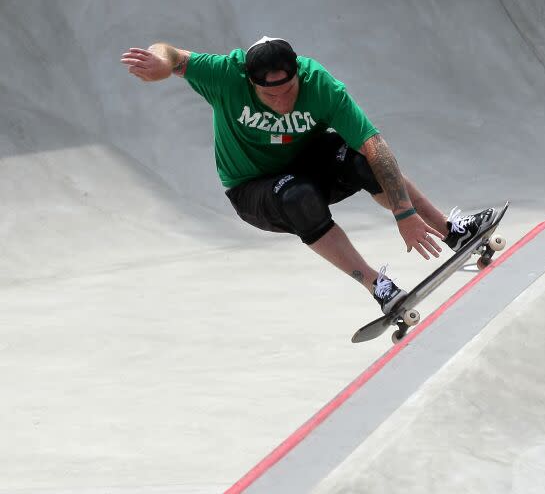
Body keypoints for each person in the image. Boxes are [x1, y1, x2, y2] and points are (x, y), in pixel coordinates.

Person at [120, 37, 498, 315]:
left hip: (307, 162)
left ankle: (452, 230)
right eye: (271, 98)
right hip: (253, 189)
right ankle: (376, 285)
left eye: (289, 91)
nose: (283, 103)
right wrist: (160, 63)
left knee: (365, 161)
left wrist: (405, 215)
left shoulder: (321, 86)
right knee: (298, 197)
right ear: (249, 82)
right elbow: (170, 52)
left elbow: (375, 145)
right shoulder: (223, 75)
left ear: (299, 73)